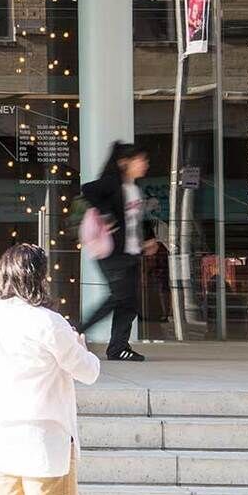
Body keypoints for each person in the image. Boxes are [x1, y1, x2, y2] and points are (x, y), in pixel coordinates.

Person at [0, 243, 100, 495]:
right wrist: (81, 347)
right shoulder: (48, 322)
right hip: (42, 442)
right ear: (38, 278)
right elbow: (87, 371)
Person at [78, 140, 157, 361]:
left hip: (131, 253)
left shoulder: (134, 189)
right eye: (140, 160)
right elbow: (88, 190)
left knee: (129, 302)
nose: (145, 164)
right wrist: (107, 216)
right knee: (120, 297)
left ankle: (118, 348)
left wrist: (149, 239)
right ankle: (76, 329)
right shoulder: (113, 183)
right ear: (124, 162)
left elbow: (138, 219)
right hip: (112, 254)